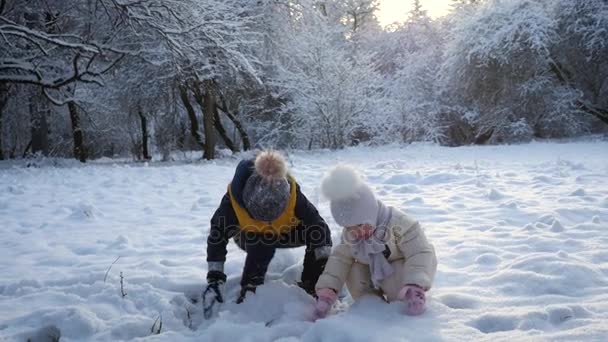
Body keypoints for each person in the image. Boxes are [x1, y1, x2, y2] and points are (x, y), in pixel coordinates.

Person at [203, 151, 332, 307]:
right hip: (249, 236)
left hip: (285, 232)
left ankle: (312, 283)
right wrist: (215, 276)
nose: (267, 221)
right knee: (262, 240)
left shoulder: (293, 195)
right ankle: (251, 286)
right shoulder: (233, 200)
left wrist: (323, 266)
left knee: (317, 234)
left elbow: (318, 226)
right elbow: (218, 234)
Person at [313, 165, 437, 319]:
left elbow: (420, 252)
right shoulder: (351, 235)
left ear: (370, 213)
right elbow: (338, 260)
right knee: (352, 266)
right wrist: (327, 291)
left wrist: (415, 282)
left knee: (398, 271)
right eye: (349, 227)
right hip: (371, 275)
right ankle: (369, 303)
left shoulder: (398, 224)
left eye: (359, 225)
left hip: (400, 276)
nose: (355, 232)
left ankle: (409, 298)